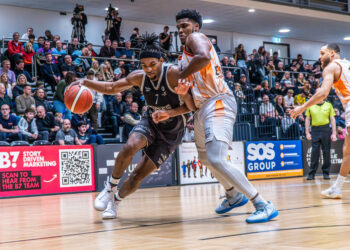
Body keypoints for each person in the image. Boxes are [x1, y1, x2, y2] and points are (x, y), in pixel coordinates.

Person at [175, 9, 278, 223]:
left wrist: (179, 76)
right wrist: (182, 94)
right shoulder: (183, 58)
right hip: (201, 108)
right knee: (205, 159)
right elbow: (191, 103)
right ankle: (233, 194)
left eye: (184, 26)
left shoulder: (197, 39)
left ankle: (262, 204)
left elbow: (203, 57)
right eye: (178, 28)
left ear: (196, 26)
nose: (181, 31)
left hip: (218, 101)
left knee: (215, 158)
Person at [75, 34, 192, 219]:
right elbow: (111, 87)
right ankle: (110, 188)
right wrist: (86, 82)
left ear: (161, 60)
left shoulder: (173, 74)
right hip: (151, 121)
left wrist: (169, 113)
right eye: (144, 65)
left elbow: (191, 106)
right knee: (131, 145)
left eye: (152, 64)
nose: (149, 69)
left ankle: (115, 204)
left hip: (172, 132)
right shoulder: (139, 77)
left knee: (138, 174)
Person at [290, 43, 350, 198]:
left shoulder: (331, 67)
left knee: (348, 151)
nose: (319, 56)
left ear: (331, 53)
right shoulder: (347, 64)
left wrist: (301, 108)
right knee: (347, 150)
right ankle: (336, 188)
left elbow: (323, 93)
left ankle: (336, 188)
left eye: (322, 53)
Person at [304, 96, 337, 180]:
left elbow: (332, 119)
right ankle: (311, 173)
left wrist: (334, 133)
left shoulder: (329, 105)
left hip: (325, 129)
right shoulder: (310, 105)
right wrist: (307, 132)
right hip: (315, 130)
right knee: (314, 152)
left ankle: (326, 173)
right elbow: (307, 119)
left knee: (326, 152)